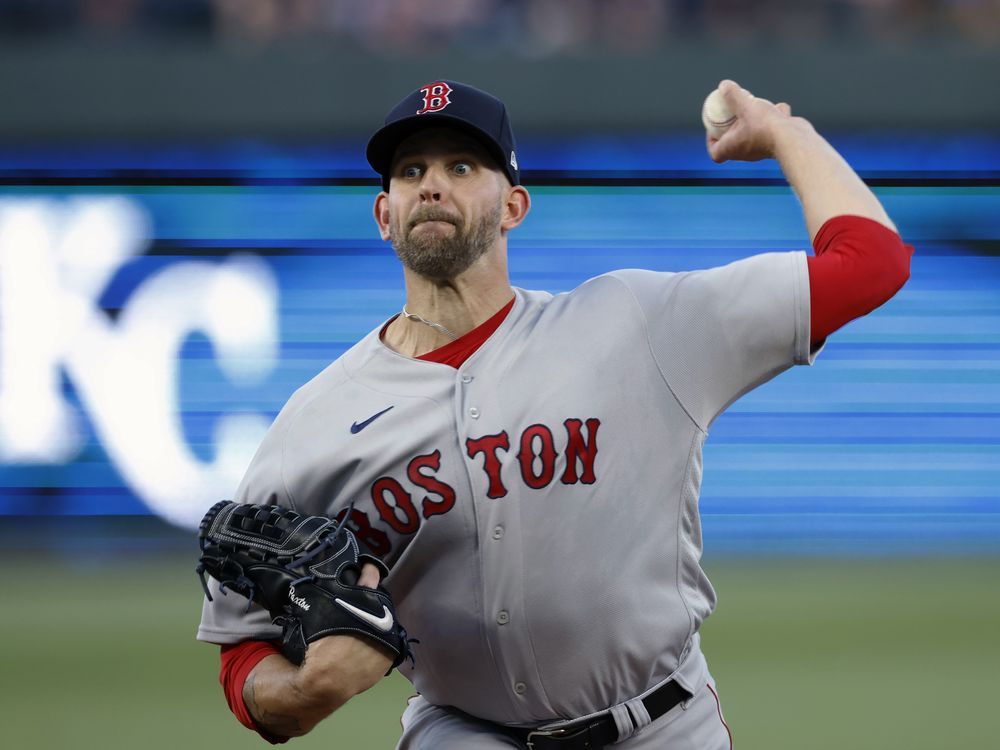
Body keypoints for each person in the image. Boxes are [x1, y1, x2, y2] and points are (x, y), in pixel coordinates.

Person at [197, 79, 912, 749]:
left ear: (514, 206)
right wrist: (293, 692)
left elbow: (872, 263)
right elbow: (242, 643)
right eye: (410, 170)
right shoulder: (316, 422)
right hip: (462, 728)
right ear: (385, 215)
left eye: (463, 165)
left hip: (660, 723)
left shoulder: (637, 324)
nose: (433, 184)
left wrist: (788, 134)